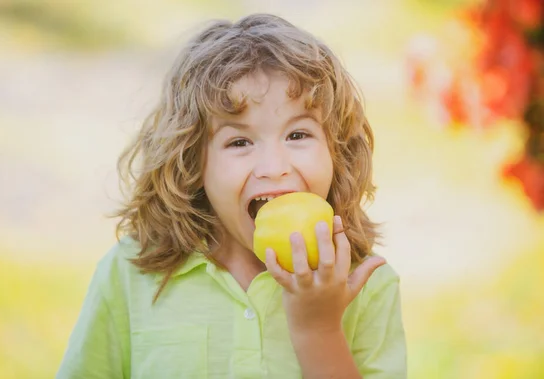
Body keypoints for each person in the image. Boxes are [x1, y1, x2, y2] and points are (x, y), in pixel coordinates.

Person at [57, 13, 406, 379]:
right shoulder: (129, 273)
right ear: (191, 163)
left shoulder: (365, 284)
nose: (274, 167)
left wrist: (318, 329)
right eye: (239, 141)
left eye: (298, 135)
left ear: (336, 150)